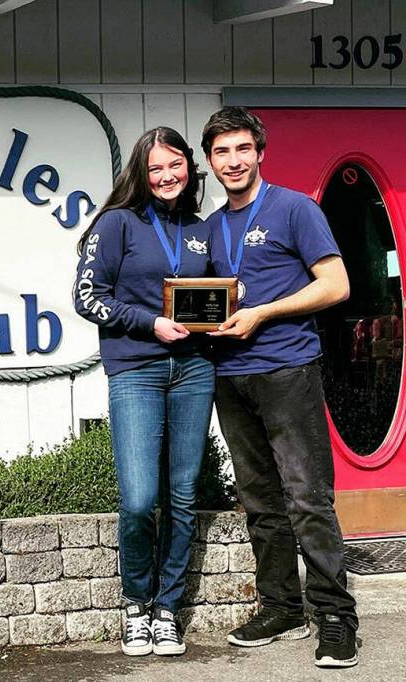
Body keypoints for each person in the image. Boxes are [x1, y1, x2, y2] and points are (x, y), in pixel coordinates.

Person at [201, 106, 358, 668]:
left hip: (289, 370)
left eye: (242, 148)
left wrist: (263, 313)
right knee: (261, 502)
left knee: (307, 497)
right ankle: (281, 606)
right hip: (230, 376)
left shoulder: (296, 208)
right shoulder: (211, 227)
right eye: (221, 152)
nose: (233, 160)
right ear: (211, 160)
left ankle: (337, 617)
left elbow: (336, 285)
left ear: (259, 152)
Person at [73, 127, 213, 657]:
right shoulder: (116, 224)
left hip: (195, 371)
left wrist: (231, 303)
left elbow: (216, 292)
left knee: (182, 497)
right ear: (140, 172)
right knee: (138, 500)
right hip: (136, 371)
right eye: (155, 168)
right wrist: (148, 323)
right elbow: (87, 297)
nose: (166, 176)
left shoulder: (201, 229)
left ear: (188, 167)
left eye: (174, 164)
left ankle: (167, 609)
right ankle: (136, 603)